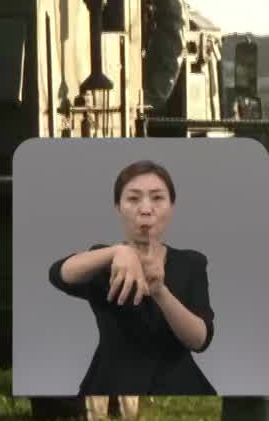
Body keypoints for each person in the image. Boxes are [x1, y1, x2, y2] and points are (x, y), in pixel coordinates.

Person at [47, 159, 216, 395]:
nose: (146, 209)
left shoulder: (191, 262)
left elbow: (200, 340)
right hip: (111, 382)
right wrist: (118, 251)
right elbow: (59, 274)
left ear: (171, 206)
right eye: (133, 198)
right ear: (118, 207)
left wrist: (160, 291)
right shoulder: (105, 260)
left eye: (157, 198)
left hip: (180, 385)